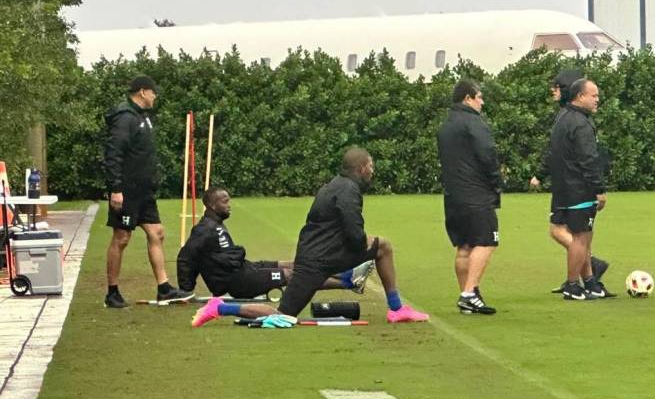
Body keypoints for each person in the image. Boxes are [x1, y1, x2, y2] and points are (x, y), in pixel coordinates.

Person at [191, 147, 429, 327]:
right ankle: (395, 308)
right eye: (371, 166)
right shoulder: (348, 190)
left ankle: (220, 307)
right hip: (322, 259)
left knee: (285, 314)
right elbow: (352, 228)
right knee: (382, 247)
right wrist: (360, 252)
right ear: (361, 168)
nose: (373, 171)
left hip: (314, 256)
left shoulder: (333, 185)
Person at [177, 186, 375, 298]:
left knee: (293, 264)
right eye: (225, 202)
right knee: (289, 275)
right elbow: (186, 257)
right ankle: (348, 283)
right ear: (211, 205)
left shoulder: (215, 223)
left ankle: (347, 273)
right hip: (238, 282)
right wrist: (186, 289)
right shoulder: (205, 229)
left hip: (244, 270)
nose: (230, 205)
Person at [104, 75, 192, 308]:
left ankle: (164, 288)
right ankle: (112, 292)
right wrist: (116, 188)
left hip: (144, 191)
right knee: (122, 238)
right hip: (127, 191)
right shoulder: (125, 118)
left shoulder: (144, 117)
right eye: (153, 92)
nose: (155, 96)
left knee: (157, 233)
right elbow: (114, 154)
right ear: (143, 92)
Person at [530, 69, 611, 294]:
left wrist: (541, 174)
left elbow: (553, 152)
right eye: (593, 96)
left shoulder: (563, 117)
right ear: (579, 96)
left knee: (578, 236)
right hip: (579, 189)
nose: (597, 100)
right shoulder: (581, 123)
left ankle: (591, 283)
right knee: (581, 238)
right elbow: (588, 159)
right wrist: (599, 189)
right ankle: (573, 285)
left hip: (563, 188)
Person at [437, 79, 502, 315]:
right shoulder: (474, 123)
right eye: (480, 97)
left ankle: (468, 296)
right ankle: (469, 292)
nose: (482, 102)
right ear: (468, 98)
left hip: (453, 195)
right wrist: (496, 182)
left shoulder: (446, 126)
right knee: (487, 241)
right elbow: (487, 155)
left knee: (464, 247)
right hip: (476, 194)